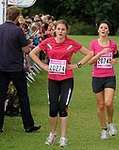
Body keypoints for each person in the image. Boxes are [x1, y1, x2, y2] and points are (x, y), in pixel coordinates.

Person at [29, 19, 93, 147]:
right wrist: (42, 65)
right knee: (53, 109)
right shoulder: (48, 42)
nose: (60, 31)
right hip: (52, 79)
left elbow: (90, 53)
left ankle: (63, 137)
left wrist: (77, 65)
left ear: (66, 31)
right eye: (58, 29)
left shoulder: (71, 43)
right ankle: (52, 134)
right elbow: (32, 53)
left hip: (67, 79)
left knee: (62, 108)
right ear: (54, 30)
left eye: (63, 29)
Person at [0, 6, 41, 133]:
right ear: (17, 17)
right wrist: (28, 44)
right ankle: (28, 125)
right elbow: (26, 50)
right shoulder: (18, 31)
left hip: (2, 67)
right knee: (23, 96)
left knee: (1, 97)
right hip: (16, 68)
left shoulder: (0, 28)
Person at [88, 21, 119, 140]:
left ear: (108, 31)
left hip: (110, 76)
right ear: (98, 30)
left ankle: (110, 123)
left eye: (105, 28)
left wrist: (114, 61)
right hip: (97, 77)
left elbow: (116, 57)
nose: (103, 29)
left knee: (108, 102)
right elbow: (90, 62)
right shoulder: (93, 44)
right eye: (101, 27)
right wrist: (100, 54)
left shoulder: (113, 44)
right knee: (100, 105)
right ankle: (103, 129)